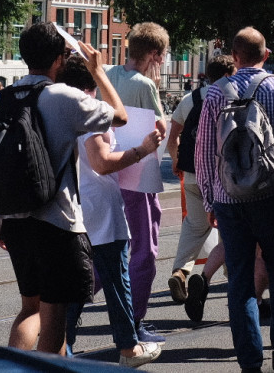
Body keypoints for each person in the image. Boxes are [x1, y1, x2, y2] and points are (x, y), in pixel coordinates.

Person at [0, 23, 129, 355]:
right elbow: (120, 117)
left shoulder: (1, 98)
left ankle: (11, 368)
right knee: (55, 315)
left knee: (30, 309)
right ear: (59, 58)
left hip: (14, 215)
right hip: (56, 220)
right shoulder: (62, 96)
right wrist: (98, 73)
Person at [195, 27, 274, 373]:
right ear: (267, 56)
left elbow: (204, 154)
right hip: (269, 194)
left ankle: (250, 362)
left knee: (239, 280)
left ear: (234, 58)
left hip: (229, 200)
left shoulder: (214, 93)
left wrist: (210, 201)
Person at [58, 57, 163, 367]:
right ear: (91, 84)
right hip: (101, 208)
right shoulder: (90, 112)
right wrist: (141, 150)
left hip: (75, 208)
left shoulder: (60, 111)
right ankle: (129, 347)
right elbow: (102, 162)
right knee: (116, 280)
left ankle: (64, 348)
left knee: (78, 283)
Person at [107, 22, 170, 344]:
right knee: (145, 250)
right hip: (139, 174)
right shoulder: (145, 85)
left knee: (107, 245)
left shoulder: (109, 74)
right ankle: (134, 322)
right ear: (154, 54)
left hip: (109, 173)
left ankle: (70, 310)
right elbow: (159, 131)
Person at [166, 54, 232, 309]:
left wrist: (175, 160)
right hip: (222, 177)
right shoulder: (230, 96)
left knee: (194, 225)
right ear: (228, 75)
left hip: (192, 175)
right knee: (229, 228)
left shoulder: (189, 99)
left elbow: (173, 138)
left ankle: (180, 272)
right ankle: (232, 275)